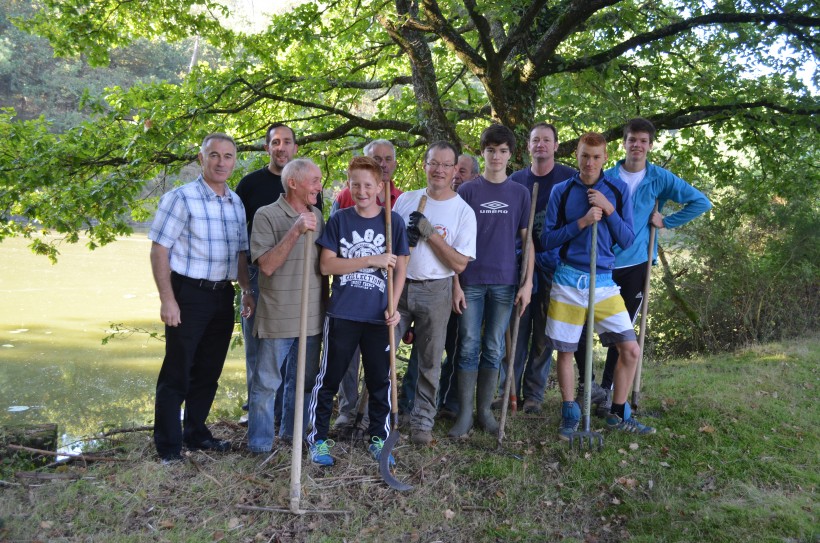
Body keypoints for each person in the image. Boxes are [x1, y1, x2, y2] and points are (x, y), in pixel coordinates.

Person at [574, 118, 713, 416]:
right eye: (631, 139)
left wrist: (666, 221)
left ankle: (611, 393)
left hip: (637, 264)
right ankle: (589, 387)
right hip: (603, 263)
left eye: (643, 140)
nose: (637, 145)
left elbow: (701, 202)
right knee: (582, 325)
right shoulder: (606, 176)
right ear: (623, 144)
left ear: (650, 145)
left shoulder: (659, 178)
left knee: (621, 333)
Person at [149, 133, 255, 464]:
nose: (221, 162)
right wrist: (168, 300)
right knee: (177, 372)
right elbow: (159, 250)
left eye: (227, 156)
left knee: (209, 371)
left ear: (234, 160)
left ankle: (195, 433)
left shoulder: (235, 202)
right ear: (201, 158)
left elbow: (240, 254)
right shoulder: (180, 199)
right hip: (188, 293)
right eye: (214, 155)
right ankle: (168, 447)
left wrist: (247, 290)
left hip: (222, 295)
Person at [542, 131, 655, 440]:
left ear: (605, 158)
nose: (589, 163)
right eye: (584, 156)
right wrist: (580, 222)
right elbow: (547, 240)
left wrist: (609, 209)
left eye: (595, 157)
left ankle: (617, 413)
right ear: (576, 156)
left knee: (630, 349)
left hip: (604, 282)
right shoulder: (562, 192)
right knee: (565, 350)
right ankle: (569, 411)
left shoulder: (617, 191)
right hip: (568, 279)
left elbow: (628, 239)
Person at [307, 156, 409, 466]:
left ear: (380, 186)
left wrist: (393, 305)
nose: (362, 191)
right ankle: (318, 439)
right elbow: (326, 265)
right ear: (349, 186)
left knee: (381, 380)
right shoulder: (340, 219)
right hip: (343, 314)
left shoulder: (394, 223)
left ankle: (379, 437)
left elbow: (402, 270)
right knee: (330, 378)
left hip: (378, 317)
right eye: (355, 185)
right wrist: (370, 260)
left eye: (368, 185)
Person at [449, 124, 533, 438]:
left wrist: (527, 283)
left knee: (494, 347)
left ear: (510, 155)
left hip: (505, 281)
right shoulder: (468, 190)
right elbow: (455, 241)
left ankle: (485, 411)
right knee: (468, 344)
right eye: (490, 150)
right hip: (470, 278)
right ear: (482, 152)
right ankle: (465, 414)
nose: (496, 156)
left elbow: (528, 242)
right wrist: (456, 282)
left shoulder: (520, 193)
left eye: (502, 151)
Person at [235, 123, 320, 430]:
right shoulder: (250, 186)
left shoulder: (312, 195)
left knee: (297, 369)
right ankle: (259, 425)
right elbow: (240, 246)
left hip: (298, 291)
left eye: (287, 142)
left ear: (295, 147)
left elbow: (312, 255)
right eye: (275, 142)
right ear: (267, 148)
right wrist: (246, 288)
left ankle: (286, 428)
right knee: (261, 361)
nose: (281, 147)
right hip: (258, 280)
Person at [392, 141, 477, 445]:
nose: (439, 170)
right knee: (382, 351)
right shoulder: (405, 200)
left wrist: (430, 235)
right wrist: (405, 237)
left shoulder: (463, 212)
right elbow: (389, 245)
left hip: (435, 290)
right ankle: (382, 417)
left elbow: (459, 263)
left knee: (429, 362)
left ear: (456, 169)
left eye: (446, 165)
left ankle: (422, 423)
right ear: (425, 165)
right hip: (400, 287)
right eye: (433, 163)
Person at [247, 158, 325, 453]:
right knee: (266, 385)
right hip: (278, 316)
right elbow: (266, 266)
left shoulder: (317, 214)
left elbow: (322, 266)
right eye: (314, 181)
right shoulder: (265, 216)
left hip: (311, 317)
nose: (319, 186)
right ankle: (259, 446)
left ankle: (291, 437)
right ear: (293, 183)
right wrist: (294, 230)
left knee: (303, 384)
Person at [498, 123, 577, 414]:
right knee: (515, 328)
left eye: (546, 140)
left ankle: (534, 394)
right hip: (520, 264)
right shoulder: (516, 181)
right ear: (528, 146)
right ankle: (508, 391)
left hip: (555, 266)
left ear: (556, 146)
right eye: (535, 140)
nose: (541, 145)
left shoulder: (569, 178)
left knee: (543, 334)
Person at [331, 139, 403, 432]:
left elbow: (402, 264)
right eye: (377, 158)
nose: (383, 164)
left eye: (387, 159)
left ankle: (377, 429)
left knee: (378, 371)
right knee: (343, 364)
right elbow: (329, 258)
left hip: (379, 303)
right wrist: (371, 260)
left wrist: (394, 305)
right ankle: (346, 412)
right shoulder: (343, 204)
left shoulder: (397, 206)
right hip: (347, 303)